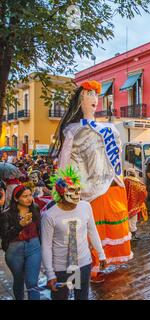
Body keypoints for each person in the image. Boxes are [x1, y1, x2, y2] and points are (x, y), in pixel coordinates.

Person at [50, 80, 132, 283]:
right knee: (85, 232)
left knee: (101, 231)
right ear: (80, 100)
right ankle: (85, 271)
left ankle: (99, 263)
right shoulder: (73, 131)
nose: (95, 99)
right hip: (86, 191)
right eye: (89, 95)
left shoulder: (109, 129)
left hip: (109, 188)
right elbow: (66, 162)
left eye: (96, 95)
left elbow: (114, 159)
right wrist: (64, 189)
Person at [41, 166, 107, 300]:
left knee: (82, 297)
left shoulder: (85, 207)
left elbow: (92, 231)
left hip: (83, 264)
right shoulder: (50, 216)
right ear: (60, 192)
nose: (76, 193)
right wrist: (50, 273)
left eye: (78, 189)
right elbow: (46, 246)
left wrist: (101, 254)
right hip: (60, 268)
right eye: (72, 190)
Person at [0, 185, 41, 300]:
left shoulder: (35, 208)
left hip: (34, 247)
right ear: (16, 198)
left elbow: (39, 229)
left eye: (30, 195)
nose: (29, 198)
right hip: (14, 250)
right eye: (25, 196)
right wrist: (20, 225)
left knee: (32, 282)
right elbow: (5, 236)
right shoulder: (6, 214)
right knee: (19, 279)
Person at [124, 168, 148, 241]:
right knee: (133, 220)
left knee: (126, 221)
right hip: (135, 205)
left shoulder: (124, 180)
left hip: (125, 204)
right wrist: (140, 201)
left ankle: (128, 235)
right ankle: (133, 235)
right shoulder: (138, 182)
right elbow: (144, 192)